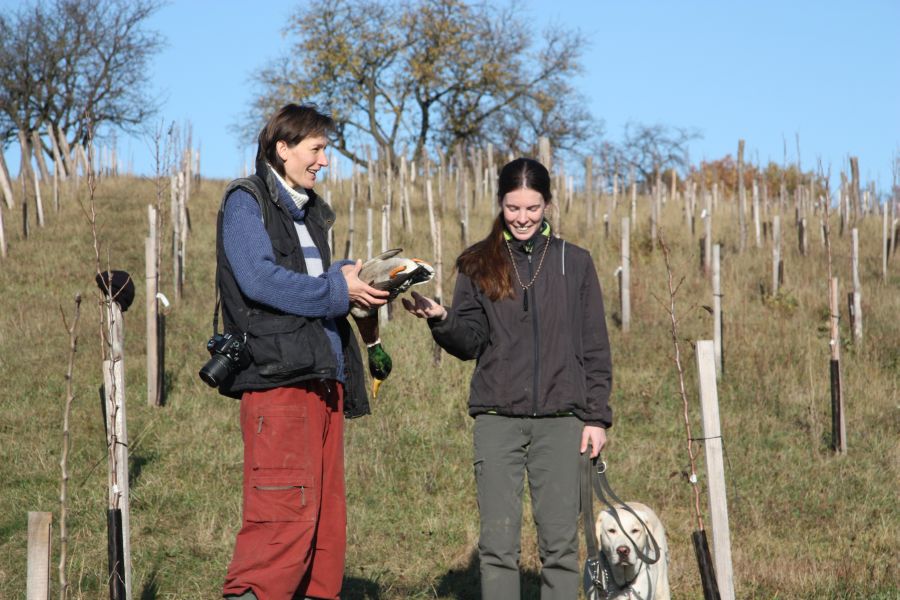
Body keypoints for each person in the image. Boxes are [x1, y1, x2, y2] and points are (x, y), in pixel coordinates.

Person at [402, 157, 613, 599]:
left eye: (533, 208)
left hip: (562, 421)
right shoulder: (479, 263)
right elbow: (469, 342)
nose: (523, 218)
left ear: (548, 205)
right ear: (500, 204)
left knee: (559, 545)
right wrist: (441, 318)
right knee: (497, 545)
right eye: (514, 208)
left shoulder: (574, 263)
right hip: (497, 419)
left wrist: (597, 418)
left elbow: (595, 347)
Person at [215, 103, 389, 600]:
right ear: (282, 148)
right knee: (281, 521)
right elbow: (259, 279)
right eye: (316, 149)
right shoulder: (246, 203)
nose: (325, 160)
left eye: (325, 149)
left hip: (322, 379)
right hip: (279, 383)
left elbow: (312, 286)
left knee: (323, 527)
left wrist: (360, 281)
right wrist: (340, 291)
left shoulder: (309, 212)